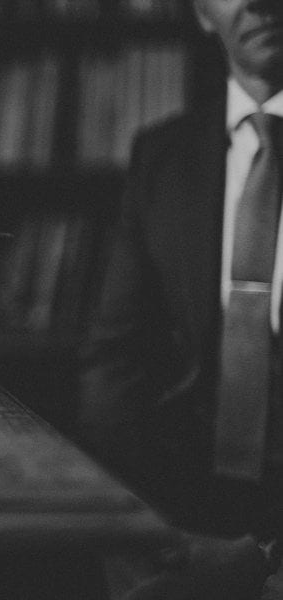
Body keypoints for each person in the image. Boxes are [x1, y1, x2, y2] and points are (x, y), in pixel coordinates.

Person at [80, 0, 283, 596]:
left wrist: (269, 563)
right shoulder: (164, 155)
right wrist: (119, 519)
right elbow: (114, 356)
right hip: (185, 500)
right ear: (200, 13)